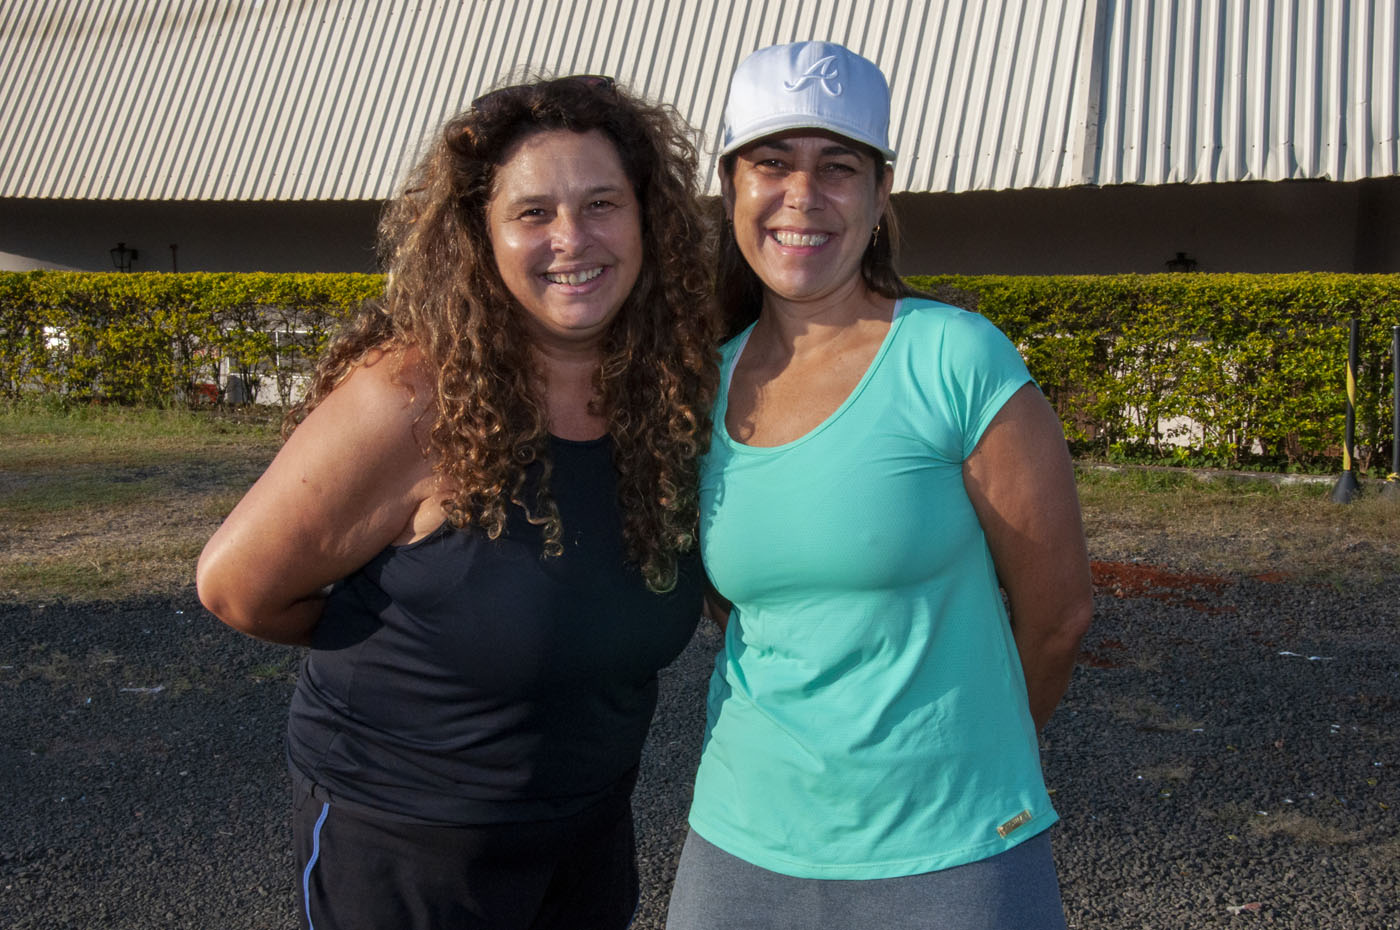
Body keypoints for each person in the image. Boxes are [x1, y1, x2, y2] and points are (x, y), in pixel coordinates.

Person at [196, 74, 718, 930]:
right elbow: (236, 587)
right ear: (482, 234)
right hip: (404, 843)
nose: (572, 238)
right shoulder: (411, 398)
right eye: (533, 212)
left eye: (601, 204)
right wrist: (399, 640)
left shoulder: (672, 396)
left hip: (587, 829)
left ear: (647, 220)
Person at [665, 42, 1093, 930]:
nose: (802, 195)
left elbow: (1057, 616)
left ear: (880, 192)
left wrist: (970, 769)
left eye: (838, 167)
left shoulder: (956, 357)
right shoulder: (700, 386)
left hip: (952, 856)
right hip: (740, 849)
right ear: (732, 186)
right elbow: (735, 603)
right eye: (771, 163)